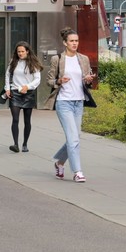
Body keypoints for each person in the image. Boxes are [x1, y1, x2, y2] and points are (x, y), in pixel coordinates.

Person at [46, 27, 95, 183]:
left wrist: (88, 79)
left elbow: (86, 81)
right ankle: (78, 172)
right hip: (63, 102)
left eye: (76, 41)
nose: (75, 44)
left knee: (75, 138)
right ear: (65, 43)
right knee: (73, 139)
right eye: (72, 41)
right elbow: (49, 81)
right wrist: (59, 81)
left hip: (78, 101)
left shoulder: (84, 59)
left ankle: (59, 163)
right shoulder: (58, 59)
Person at [5, 41, 42, 153]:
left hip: (28, 93)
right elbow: (7, 74)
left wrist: (28, 86)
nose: (20, 53)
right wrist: (7, 88)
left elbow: (37, 79)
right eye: (18, 51)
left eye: (22, 51)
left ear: (27, 51)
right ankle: (15, 144)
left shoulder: (33, 64)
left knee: (27, 120)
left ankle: (25, 143)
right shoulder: (13, 62)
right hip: (15, 92)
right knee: (15, 119)